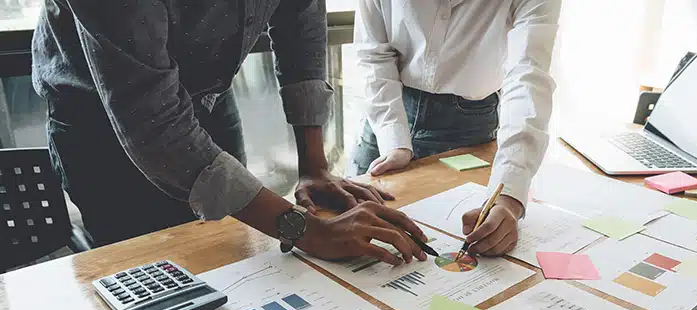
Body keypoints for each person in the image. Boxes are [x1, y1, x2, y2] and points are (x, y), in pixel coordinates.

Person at [32, 0, 427, 266]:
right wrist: (304, 230)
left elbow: (300, 24)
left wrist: (314, 166)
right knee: (154, 283)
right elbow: (152, 121)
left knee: (233, 258)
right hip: (102, 124)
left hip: (207, 97)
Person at [353, 0, 561, 256]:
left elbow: (527, 76)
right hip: (385, 109)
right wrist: (393, 137)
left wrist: (509, 195)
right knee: (355, 232)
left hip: (470, 122)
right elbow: (373, 52)